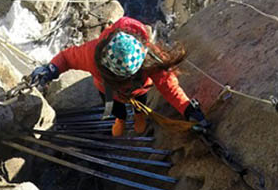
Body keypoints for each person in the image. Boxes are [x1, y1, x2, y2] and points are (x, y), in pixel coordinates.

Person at [30, 16, 208, 136]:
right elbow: (67, 58)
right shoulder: (93, 54)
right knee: (114, 107)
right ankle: (120, 120)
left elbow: (168, 85)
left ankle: (139, 116)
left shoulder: (149, 58)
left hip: (138, 90)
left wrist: (187, 108)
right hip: (108, 89)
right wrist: (52, 69)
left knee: (140, 105)